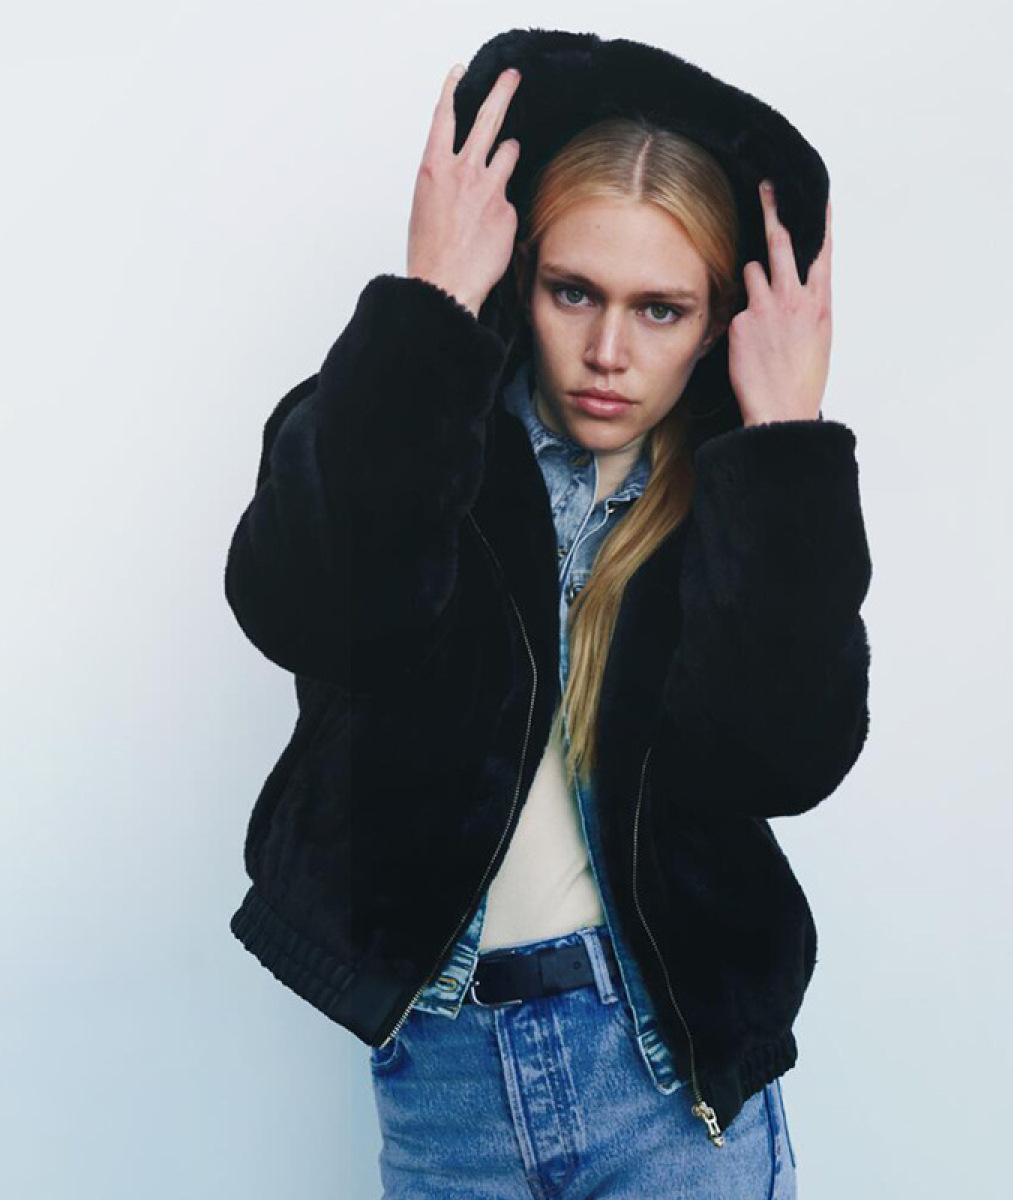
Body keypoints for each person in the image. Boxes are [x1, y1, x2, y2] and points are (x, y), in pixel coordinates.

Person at [225, 28, 871, 1199]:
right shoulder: (419, 439)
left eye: (661, 310)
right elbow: (305, 605)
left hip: (669, 1087)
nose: (607, 352)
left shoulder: (734, 508)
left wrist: (785, 447)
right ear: (521, 277)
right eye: (574, 291)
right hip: (447, 1084)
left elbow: (786, 757)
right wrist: (428, 305)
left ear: (718, 324)